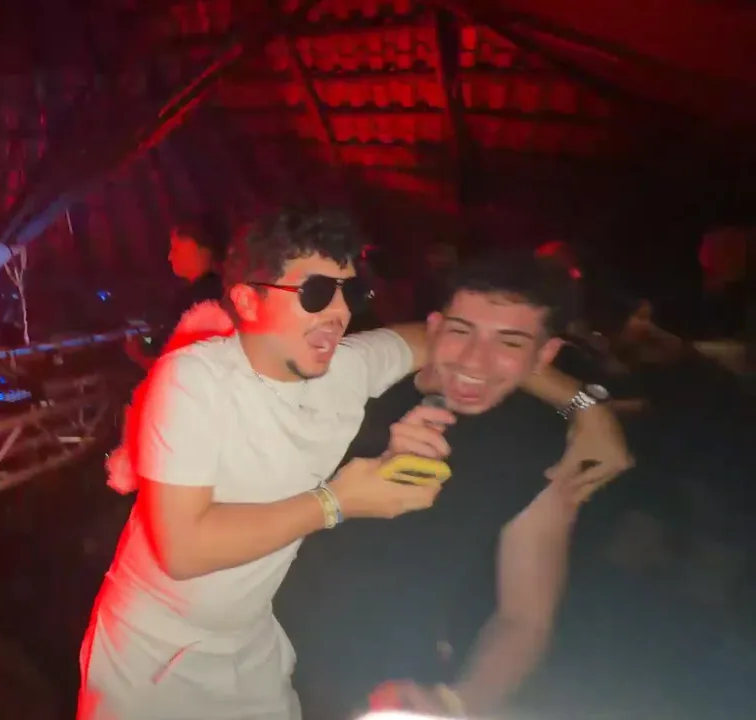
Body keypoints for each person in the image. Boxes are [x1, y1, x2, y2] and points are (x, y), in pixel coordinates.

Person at [77, 208, 633, 719]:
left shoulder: (354, 372)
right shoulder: (200, 377)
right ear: (248, 301)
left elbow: (526, 616)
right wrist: (338, 500)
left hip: (284, 662)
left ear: (543, 354)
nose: (342, 312)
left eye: (351, 292)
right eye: (317, 292)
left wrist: (585, 405)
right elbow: (182, 550)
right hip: (157, 661)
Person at [278, 251, 608, 718]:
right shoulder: (352, 392)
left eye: (510, 342)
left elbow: (526, 617)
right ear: (433, 328)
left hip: (388, 680)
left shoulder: (538, 451)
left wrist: (460, 700)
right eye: (461, 331)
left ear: (545, 355)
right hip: (250, 651)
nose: (475, 360)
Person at [126, 219, 226, 369]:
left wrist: (138, 355)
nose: (170, 257)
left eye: (176, 249)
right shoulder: (219, 290)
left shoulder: (197, 301)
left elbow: (179, 364)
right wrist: (147, 340)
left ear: (200, 251)